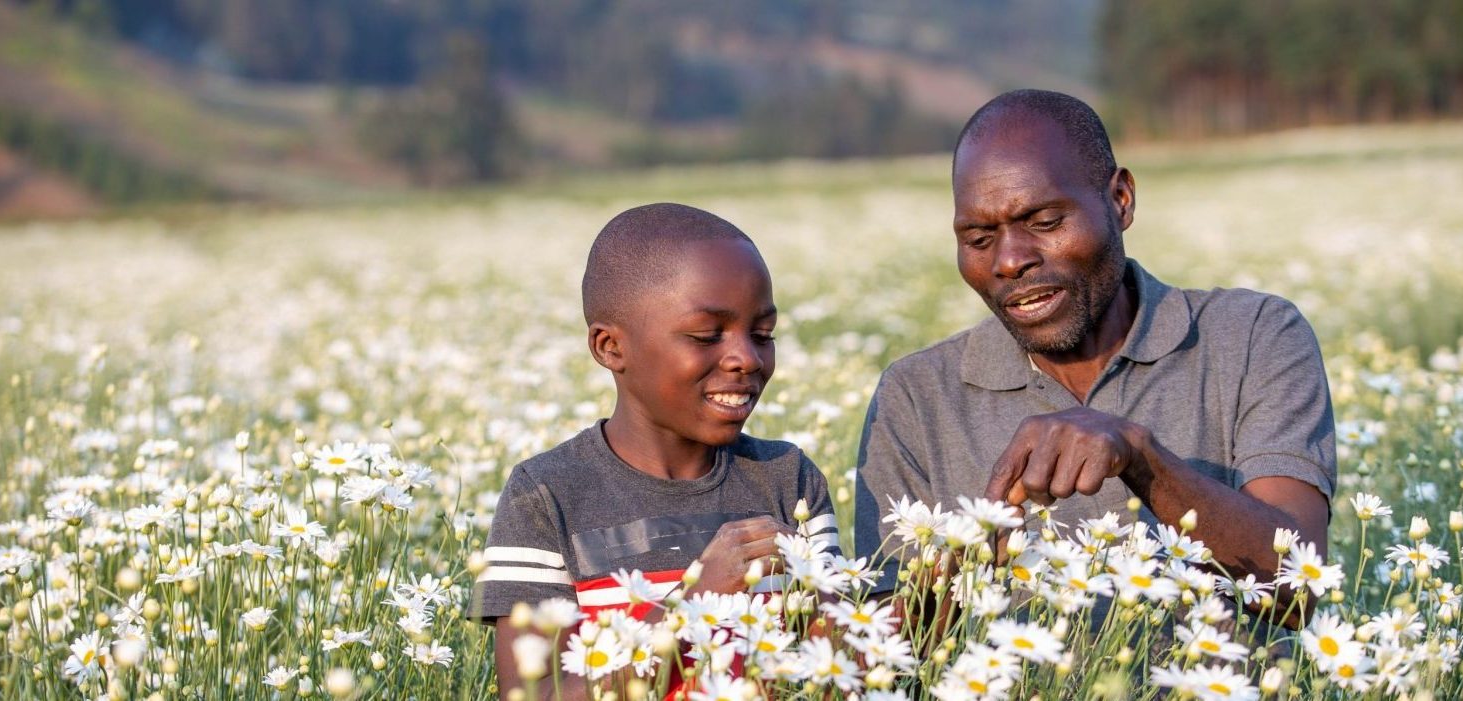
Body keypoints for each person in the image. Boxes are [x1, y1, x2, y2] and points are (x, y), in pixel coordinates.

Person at [853, 90, 1335, 623]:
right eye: (979, 237)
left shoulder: (1251, 336)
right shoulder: (917, 396)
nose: (1010, 260)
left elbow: (1299, 592)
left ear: (1121, 199)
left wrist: (1139, 457)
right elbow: (890, 656)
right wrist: (976, 556)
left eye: (1044, 222)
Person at [477, 203, 839, 699]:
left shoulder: (786, 478)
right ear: (610, 347)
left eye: (762, 335)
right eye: (705, 336)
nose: (746, 358)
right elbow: (533, 693)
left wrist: (821, 591)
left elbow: (840, 668)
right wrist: (692, 603)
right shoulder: (546, 496)